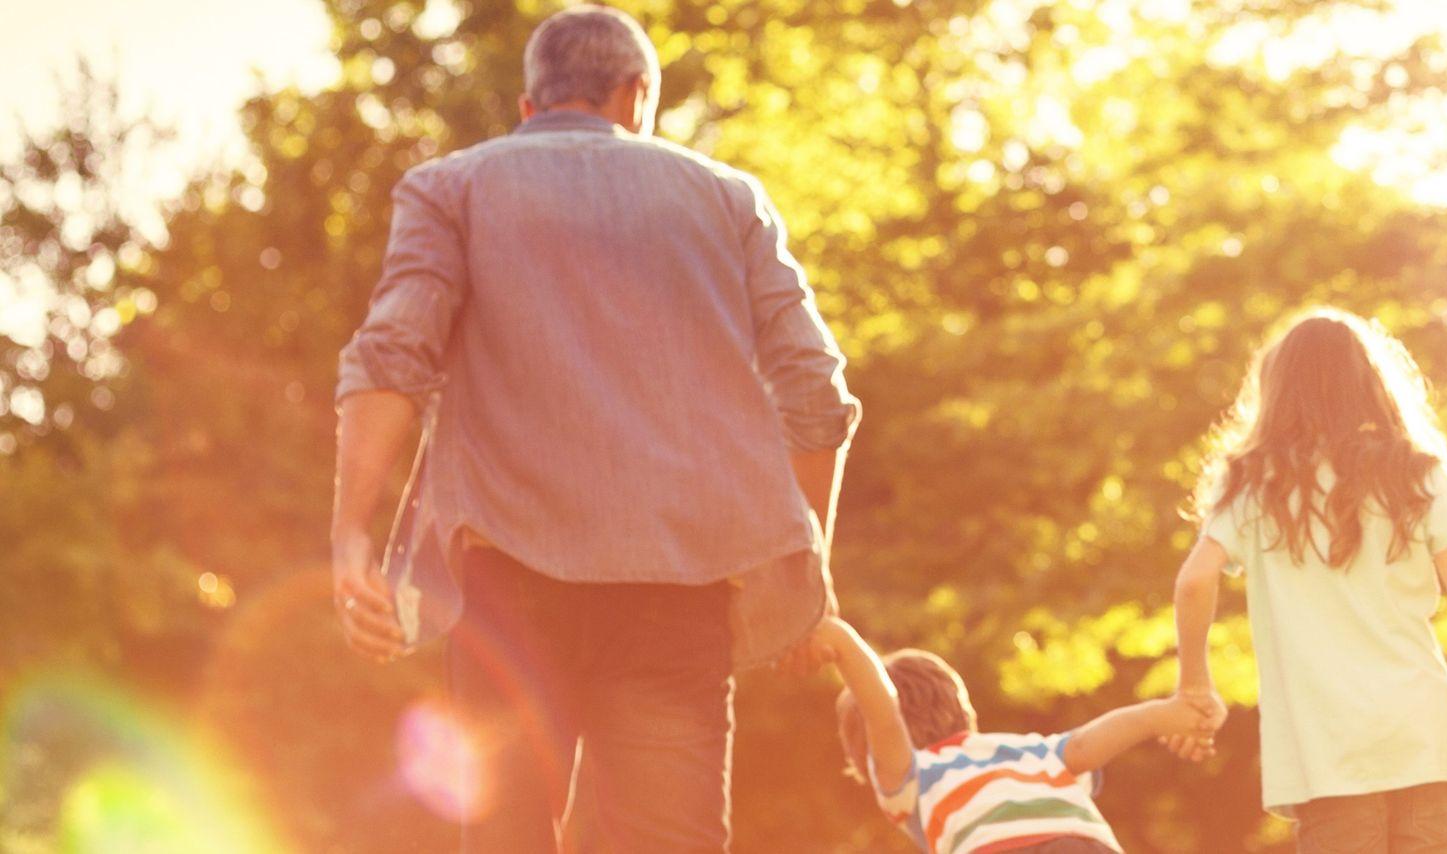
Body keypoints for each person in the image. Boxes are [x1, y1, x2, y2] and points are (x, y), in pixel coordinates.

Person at [327, 6, 859, 850]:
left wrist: (353, 537)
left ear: (529, 106)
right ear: (635, 95)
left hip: (509, 590)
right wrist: (807, 567)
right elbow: (815, 389)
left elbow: (393, 354)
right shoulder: (729, 199)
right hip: (676, 598)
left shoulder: (452, 187)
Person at [1168, 308, 1447, 854]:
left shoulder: (1255, 480)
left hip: (1329, 754)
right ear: (1372, 385)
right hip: (1422, 739)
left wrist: (1195, 684)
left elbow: (1195, 582)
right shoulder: (1418, 473)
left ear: (1278, 390)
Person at [812, 616, 1210, 853]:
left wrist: (842, 644)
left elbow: (883, 717)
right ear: (965, 712)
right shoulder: (1029, 750)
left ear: (868, 761)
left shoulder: (914, 777)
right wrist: (1164, 714)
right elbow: (1088, 747)